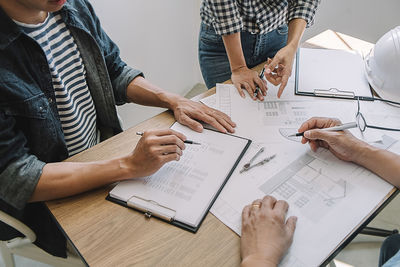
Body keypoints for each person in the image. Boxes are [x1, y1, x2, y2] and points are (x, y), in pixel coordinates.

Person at [0, 0, 236, 257]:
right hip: (52, 204)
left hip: (102, 156)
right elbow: (17, 178)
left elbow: (113, 71)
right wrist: (129, 166)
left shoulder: (72, 8)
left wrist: (172, 99)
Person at [199, 0, 320, 101]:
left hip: (277, 33)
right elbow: (223, 6)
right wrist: (238, 67)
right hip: (225, 41)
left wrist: (292, 46)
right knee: (230, 114)